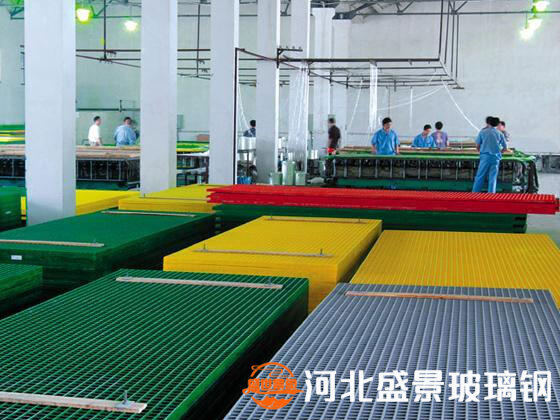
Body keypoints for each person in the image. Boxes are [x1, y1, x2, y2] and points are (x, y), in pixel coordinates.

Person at [472, 116, 508, 194]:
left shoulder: (482, 132)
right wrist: (499, 153)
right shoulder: (499, 133)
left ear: (488, 123)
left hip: (485, 157)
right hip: (495, 158)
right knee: (493, 178)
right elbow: (505, 148)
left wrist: (481, 151)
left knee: (480, 176)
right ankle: (491, 194)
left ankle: (475, 193)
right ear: (497, 124)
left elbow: (477, 146)